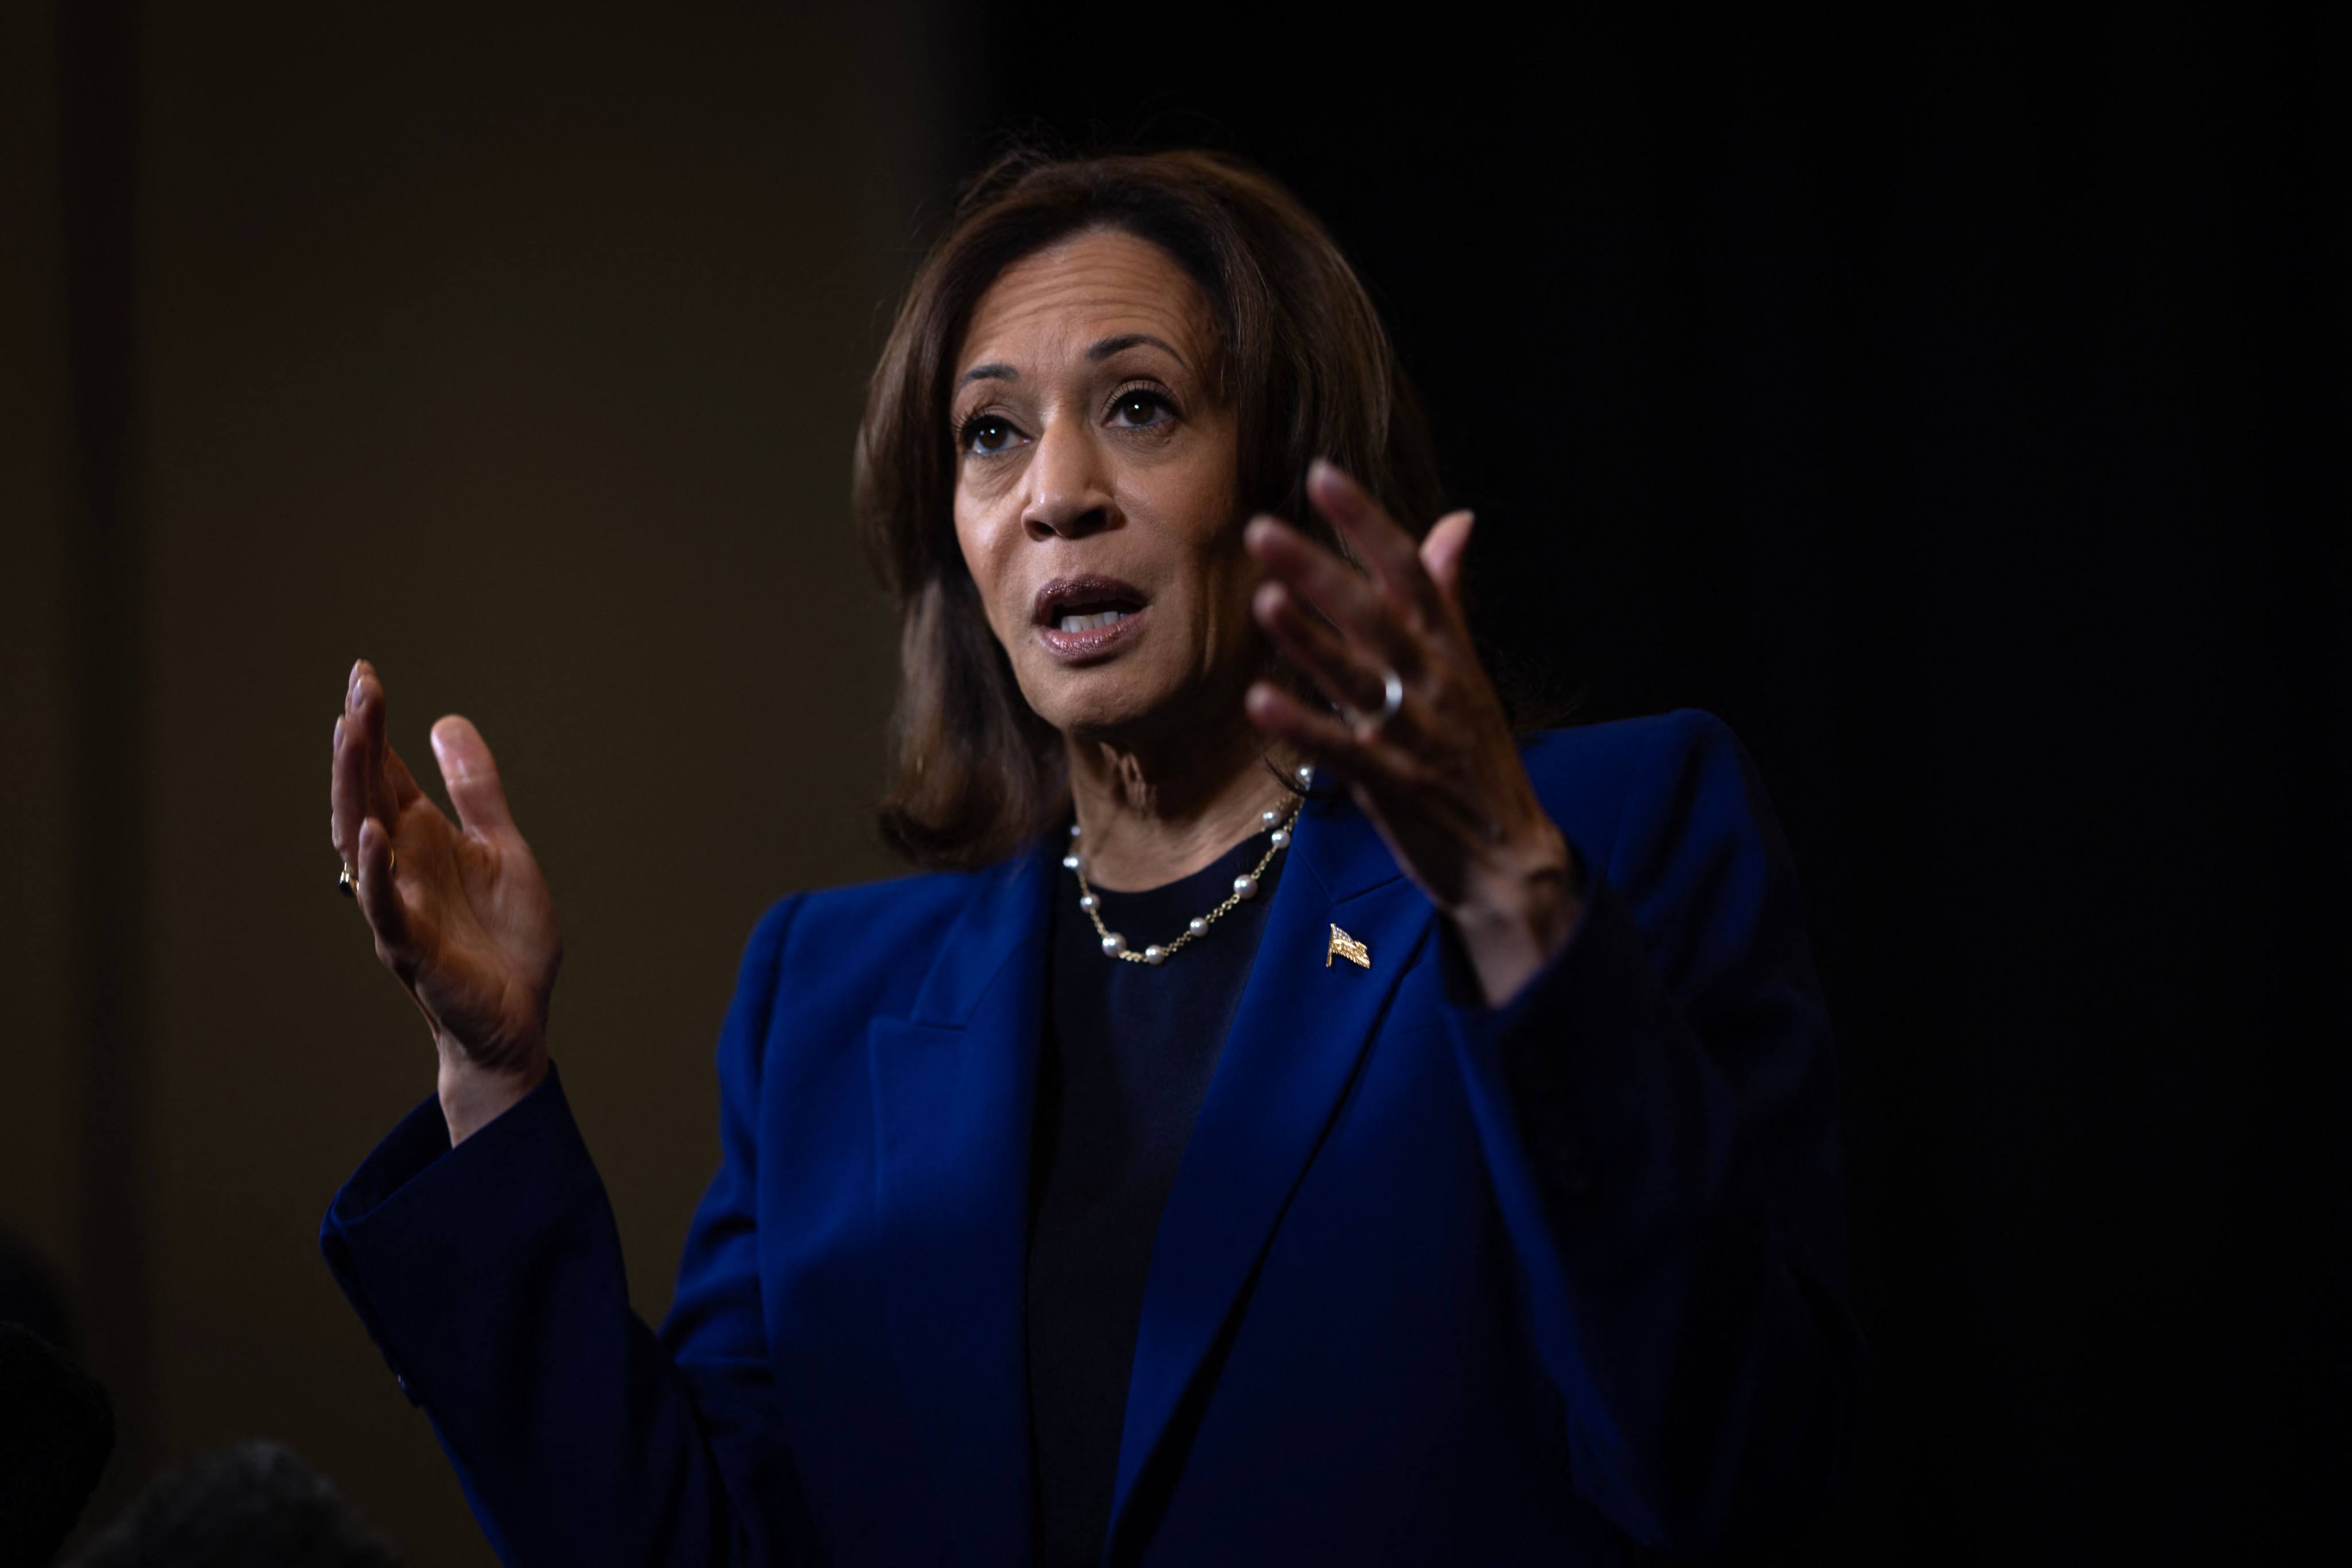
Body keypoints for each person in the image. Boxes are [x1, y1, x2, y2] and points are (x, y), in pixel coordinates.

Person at [319, 149, 1860, 1566]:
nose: (1057, 492)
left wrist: (1515, 905)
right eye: (992, 434)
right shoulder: (826, 999)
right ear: (955, 538)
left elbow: (1733, 1473)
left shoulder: (1613, 831)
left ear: (1290, 470)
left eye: (1140, 406)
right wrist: (495, 1083)